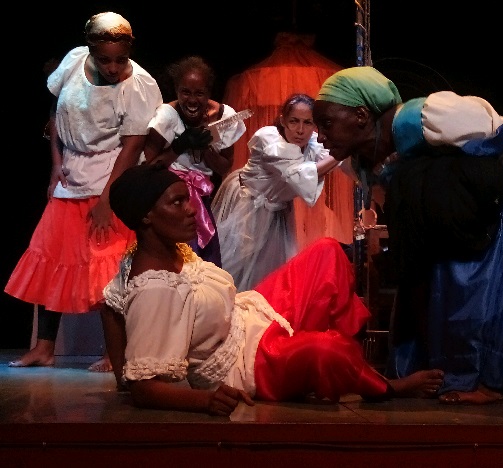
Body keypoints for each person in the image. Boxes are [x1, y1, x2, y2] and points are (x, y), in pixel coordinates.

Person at [312, 66, 503, 405]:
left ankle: (495, 379)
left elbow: (494, 138)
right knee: (439, 273)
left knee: (486, 276)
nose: (320, 137)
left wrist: (435, 173)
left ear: (360, 115)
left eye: (326, 123)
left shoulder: (425, 116)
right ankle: (442, 365)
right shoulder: (360, 162)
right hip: (471, 191)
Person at [102, 163, 444, 415]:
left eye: (186, 199)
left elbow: (109, 303)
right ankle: (376, 384)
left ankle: (331, 368)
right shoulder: (155, 288)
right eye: (177, 203)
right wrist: (204, 400)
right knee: (327, 350)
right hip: (245, 364)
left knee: (326, 253)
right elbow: (144, 390)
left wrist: (120, 375)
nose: (192, 209)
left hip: (248, 315)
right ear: (146, 217)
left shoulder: (164, 250)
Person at [5, 12, 162, 371]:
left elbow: (132, 145)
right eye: (104, 59)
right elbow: (56, 113)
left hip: (110, 175)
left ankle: (114, 352)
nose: (112, 67)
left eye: (120, 60)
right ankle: (44, 347)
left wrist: (108, 198)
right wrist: (55, 165)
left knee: (108, 267)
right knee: (51, 257)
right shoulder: (75, 61)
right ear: (90, 48)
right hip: (70, 176)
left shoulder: (139, 85)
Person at [211, 93, 344, 292]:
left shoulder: (312, 143)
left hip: (277, 207)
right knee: (238, 264)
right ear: (283, 121)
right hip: (250, 204)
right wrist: (342, 152)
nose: (300, 130)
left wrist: (345, 150)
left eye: (307, 123)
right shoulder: (269, 139)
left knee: (272, 270)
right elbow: (299, 174)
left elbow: (331, 159)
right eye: (294, 121)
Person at [143, 55, 247, 266]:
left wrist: (205, 146)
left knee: (205, 261)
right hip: (171, 198)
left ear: (208, 93)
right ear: (177, 90)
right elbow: (149, 167)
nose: (192, 100)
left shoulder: (224, 116)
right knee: (178, 259)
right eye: (185, 92)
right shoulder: (167, 116)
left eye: (199, 93)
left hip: (202, 196)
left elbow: (224, 167)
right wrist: (180, 145)